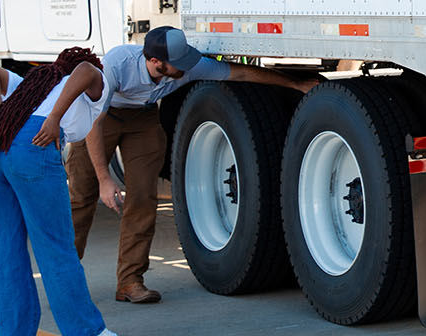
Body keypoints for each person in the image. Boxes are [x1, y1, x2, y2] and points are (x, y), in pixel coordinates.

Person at [70, 26, 313, 304]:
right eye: (179, 63)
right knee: (81, 198)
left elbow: (243, 73)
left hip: (143, 120)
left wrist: (295, 84)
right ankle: (64, 278)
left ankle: (130, 281)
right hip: (100, 119)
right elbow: (93, 123)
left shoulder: (187, 65)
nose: (187, 69)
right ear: (155, 62)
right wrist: (105, 179)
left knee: (143, 199)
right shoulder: (116, 64)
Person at [0, 47, 132, 336]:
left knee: (4, 247)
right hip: (34, 144)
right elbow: (87, 69)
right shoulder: (92, 81)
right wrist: (55, 117)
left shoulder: (35, 84)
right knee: (55, 245)